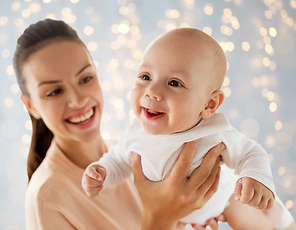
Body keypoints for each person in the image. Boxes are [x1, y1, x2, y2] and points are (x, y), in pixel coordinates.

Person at [13, 18, 226, 230]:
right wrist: (161, 218)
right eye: (54, 92)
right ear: (30, 106)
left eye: (85, 79)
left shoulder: (135, 150)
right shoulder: (47, 199)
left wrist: (194, 209)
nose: (78, 100)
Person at [82, 28, 296, 230]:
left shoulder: (213, 132)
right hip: (168, 215)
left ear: (208, 105)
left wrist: (256, 177)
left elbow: (250, 152)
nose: (152, 91)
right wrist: (102, 172)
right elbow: (119, 160)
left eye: (174, 83)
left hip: (224, 202)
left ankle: (281, 221)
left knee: (250, 214)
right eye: (146, 77)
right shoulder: (136, 132)